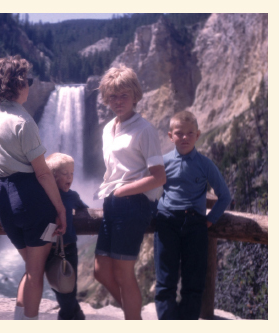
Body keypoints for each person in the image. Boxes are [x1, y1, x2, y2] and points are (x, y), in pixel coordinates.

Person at [0, 55, 67, 320]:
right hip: (33, 204)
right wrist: (61, 209)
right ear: (18, 83)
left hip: (7, 204)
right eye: (27, 80)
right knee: (35, 274)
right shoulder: (24, 122)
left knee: (31, 269)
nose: (30, 84)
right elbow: (42, 173)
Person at [93, 65, 166, 320]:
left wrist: (123, 191)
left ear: (135, 95)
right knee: (101, 271)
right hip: (112, 203)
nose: (118, 101)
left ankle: (133, 320)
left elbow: (159, 177)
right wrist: (114, 194)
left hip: (133, 204)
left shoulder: (144, 129)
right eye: (112, 96)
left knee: (124, 274)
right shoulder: (108, 128)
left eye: (124, 95)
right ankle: (133, 314)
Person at [154, 111, 231, 320]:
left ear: (198, 135)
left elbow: (225, 196)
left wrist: (208, 220)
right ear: (171, 136)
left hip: (195, 226)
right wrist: (156, 213)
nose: (185, 137)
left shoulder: (205, 164)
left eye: (190, 133)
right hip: (167, 223)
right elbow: (151, 191)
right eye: (179, 133)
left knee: (193, 283)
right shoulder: (163, 162)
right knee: (165, 281)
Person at [42, 153, 87, 320]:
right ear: (53, 176)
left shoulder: (72, 196)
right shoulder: (44, 196)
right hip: (50, 250)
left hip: (69, 249)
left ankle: (70, 316)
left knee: (69, 287)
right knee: (59, 286)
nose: (70, 177)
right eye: (65, 173)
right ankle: (72, 315)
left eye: (72, 173)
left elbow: (83, 207)